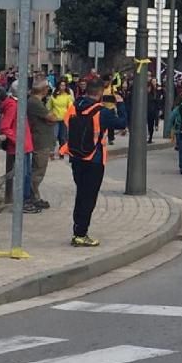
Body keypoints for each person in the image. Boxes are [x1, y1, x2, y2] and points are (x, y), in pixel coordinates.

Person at [60, 79, 127, 246]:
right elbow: (122, 123)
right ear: (100, 93)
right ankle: (81, 234)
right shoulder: (101, 111)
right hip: (94, 159)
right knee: (89, 197)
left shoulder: (74, 106)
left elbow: (67, 122)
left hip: (76, 156)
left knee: (80, 194)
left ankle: (78, 229)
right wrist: (121, 104)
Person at [0, 89, 40, 212]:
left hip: (25, 145)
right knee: (23, 175)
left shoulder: (18, 104)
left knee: (26, 174)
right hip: (20, 147)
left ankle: (26, 200)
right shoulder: (13, 105)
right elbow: (5, 127)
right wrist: (18, 140)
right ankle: (22, 202)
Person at [27, 76, 58, 210]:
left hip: (42, 139)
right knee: (38, 170)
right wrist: (51, 117)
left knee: (39, 170)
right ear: (43, 89)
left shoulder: (38, 102)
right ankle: (32, 197)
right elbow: (52, 117)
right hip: (40, 141)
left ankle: (34, 196)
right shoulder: (35, 102)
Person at [49, 79, 74, 157]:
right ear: (58, 86)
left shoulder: (68, 96)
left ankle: (62, 151)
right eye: (61, 85)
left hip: (64, 119)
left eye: (64, 85)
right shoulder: (53, 96)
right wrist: (50, 115)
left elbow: (70, 107)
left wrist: (71, 116)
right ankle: (52, 151)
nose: (62, 87)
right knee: (54, 136)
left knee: (63, 137)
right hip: (55, 118)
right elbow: (49, 107)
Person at [146, 79, 162, 143]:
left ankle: (150, 137)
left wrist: (160, 108)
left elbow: (159, 100)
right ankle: (149, 136)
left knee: (151, 123)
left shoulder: (157, 91)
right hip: (148, 108)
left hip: (153, 109)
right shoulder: (148, 91)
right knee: (149, 123)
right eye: (153, 81)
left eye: (155, 81)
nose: (154, 83)